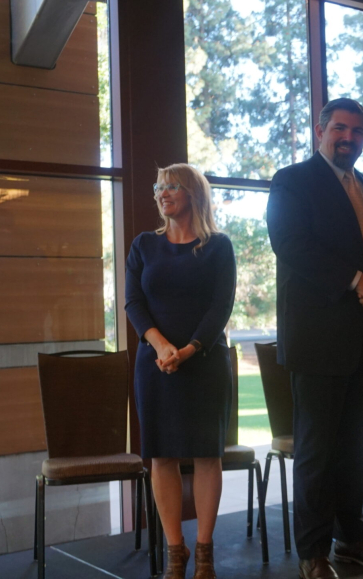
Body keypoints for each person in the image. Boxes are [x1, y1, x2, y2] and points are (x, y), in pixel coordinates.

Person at [267, 98, 363, 579]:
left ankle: (352, 542)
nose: (350, 138)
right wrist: (356, 280)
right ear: (320, 130)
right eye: (341, 129)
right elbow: (291, 244)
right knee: (317, 452)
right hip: (319, 341)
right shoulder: (293, 180)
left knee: (355, 450)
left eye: (359, 131)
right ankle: (313, 554)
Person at [125, 164, 236, 579]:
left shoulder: (218, 246)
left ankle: (204, 552)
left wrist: (188, 349)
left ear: (193, 193)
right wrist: (162, 346)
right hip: (155, 364)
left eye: (171, 186)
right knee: (162, 456)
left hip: (205, 362)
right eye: (158, 186)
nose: (161, 193)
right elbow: (133, 303)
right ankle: (177, 552)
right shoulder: (143, 245)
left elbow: (220, 306)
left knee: (208, 455)